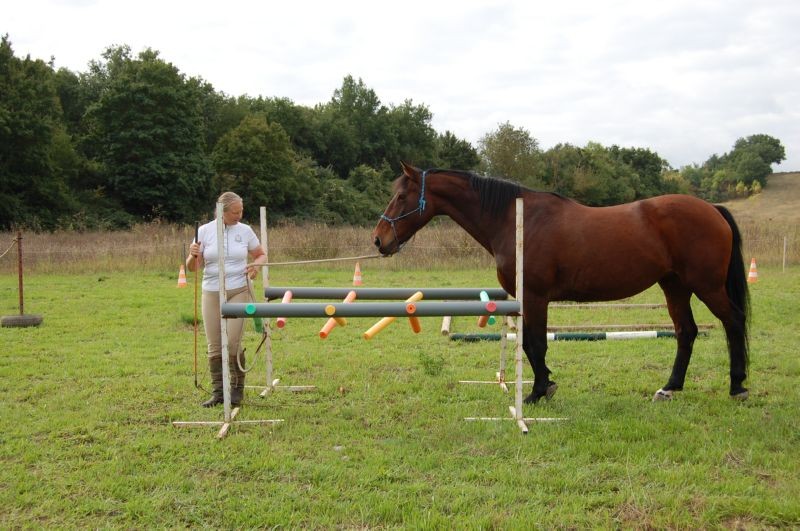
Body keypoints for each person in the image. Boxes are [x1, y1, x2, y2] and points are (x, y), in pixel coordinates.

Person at [186, 192, 266, 407]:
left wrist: (256, 266)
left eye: (241, 211)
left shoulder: (245, 230)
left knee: (231, 343)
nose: (239, 215)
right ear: (222, 211)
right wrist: (192, 254)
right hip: (211, 291)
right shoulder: (204, 231)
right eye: (235, 212)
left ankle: (236, 391)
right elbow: (192, 267)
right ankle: (219, 393)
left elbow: (260, 254)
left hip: (239, 289)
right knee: (214, 345)